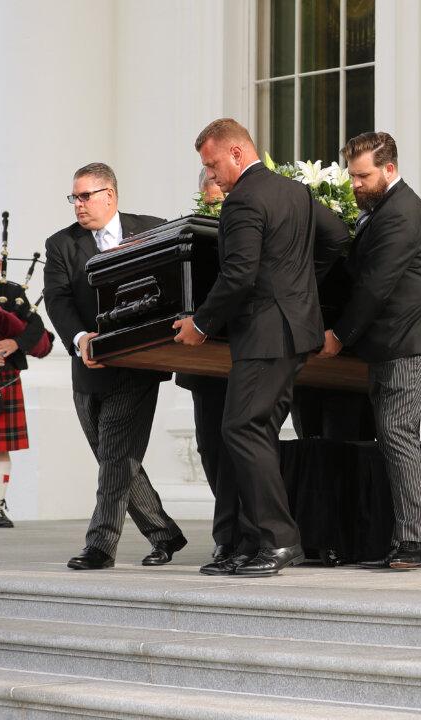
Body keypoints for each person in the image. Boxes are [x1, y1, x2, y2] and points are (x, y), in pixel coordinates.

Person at [174, 118, 342, 577]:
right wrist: (299, 289)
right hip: (294, 334)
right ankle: (251, 540)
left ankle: (279, 540)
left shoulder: (243, 200)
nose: (212, 177)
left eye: (212, 166)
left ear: (236, 153)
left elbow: (239, 275)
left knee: (240, 430)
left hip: (264, 335)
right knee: (258, 432)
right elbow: (336, 238)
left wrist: (201, 324)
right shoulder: (295, 192)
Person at [324, 131, 421, 571]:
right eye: (352, 176)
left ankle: (414, 543)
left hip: (415, 340)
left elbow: (375, 285)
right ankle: (404, 537)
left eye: (363, 175)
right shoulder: (381, 208)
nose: (355, 184)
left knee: (397, 429)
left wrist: (339, 335)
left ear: (389, 168)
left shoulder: (400, 212)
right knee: (395, 432)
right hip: (396, 340)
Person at [44, 162, 186, 570]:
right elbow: (58, 299)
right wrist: (79, 339)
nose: (78, 205)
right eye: (74, 197)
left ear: (110, 195)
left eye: (85, 196)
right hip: (88, 367)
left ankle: (100, 547)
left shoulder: (153, 229)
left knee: (115, 456)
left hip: (138, 364)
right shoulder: (61, 244)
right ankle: (164, 533)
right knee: (117, 458)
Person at [174, 169, 252, 569]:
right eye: (210, 197)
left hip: (240, 352)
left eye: (221, 196)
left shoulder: (248, 228)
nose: (215, 202)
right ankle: (231, 529)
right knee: (210, 447)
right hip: (205, 362)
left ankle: (229, 536)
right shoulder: (197, 235)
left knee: (234, 446)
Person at [0, 241, 47, 529]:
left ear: (0, 264)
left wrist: (16, 342)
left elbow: (37, 327)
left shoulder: (14, 293)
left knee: (2, 447)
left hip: (6, 377)